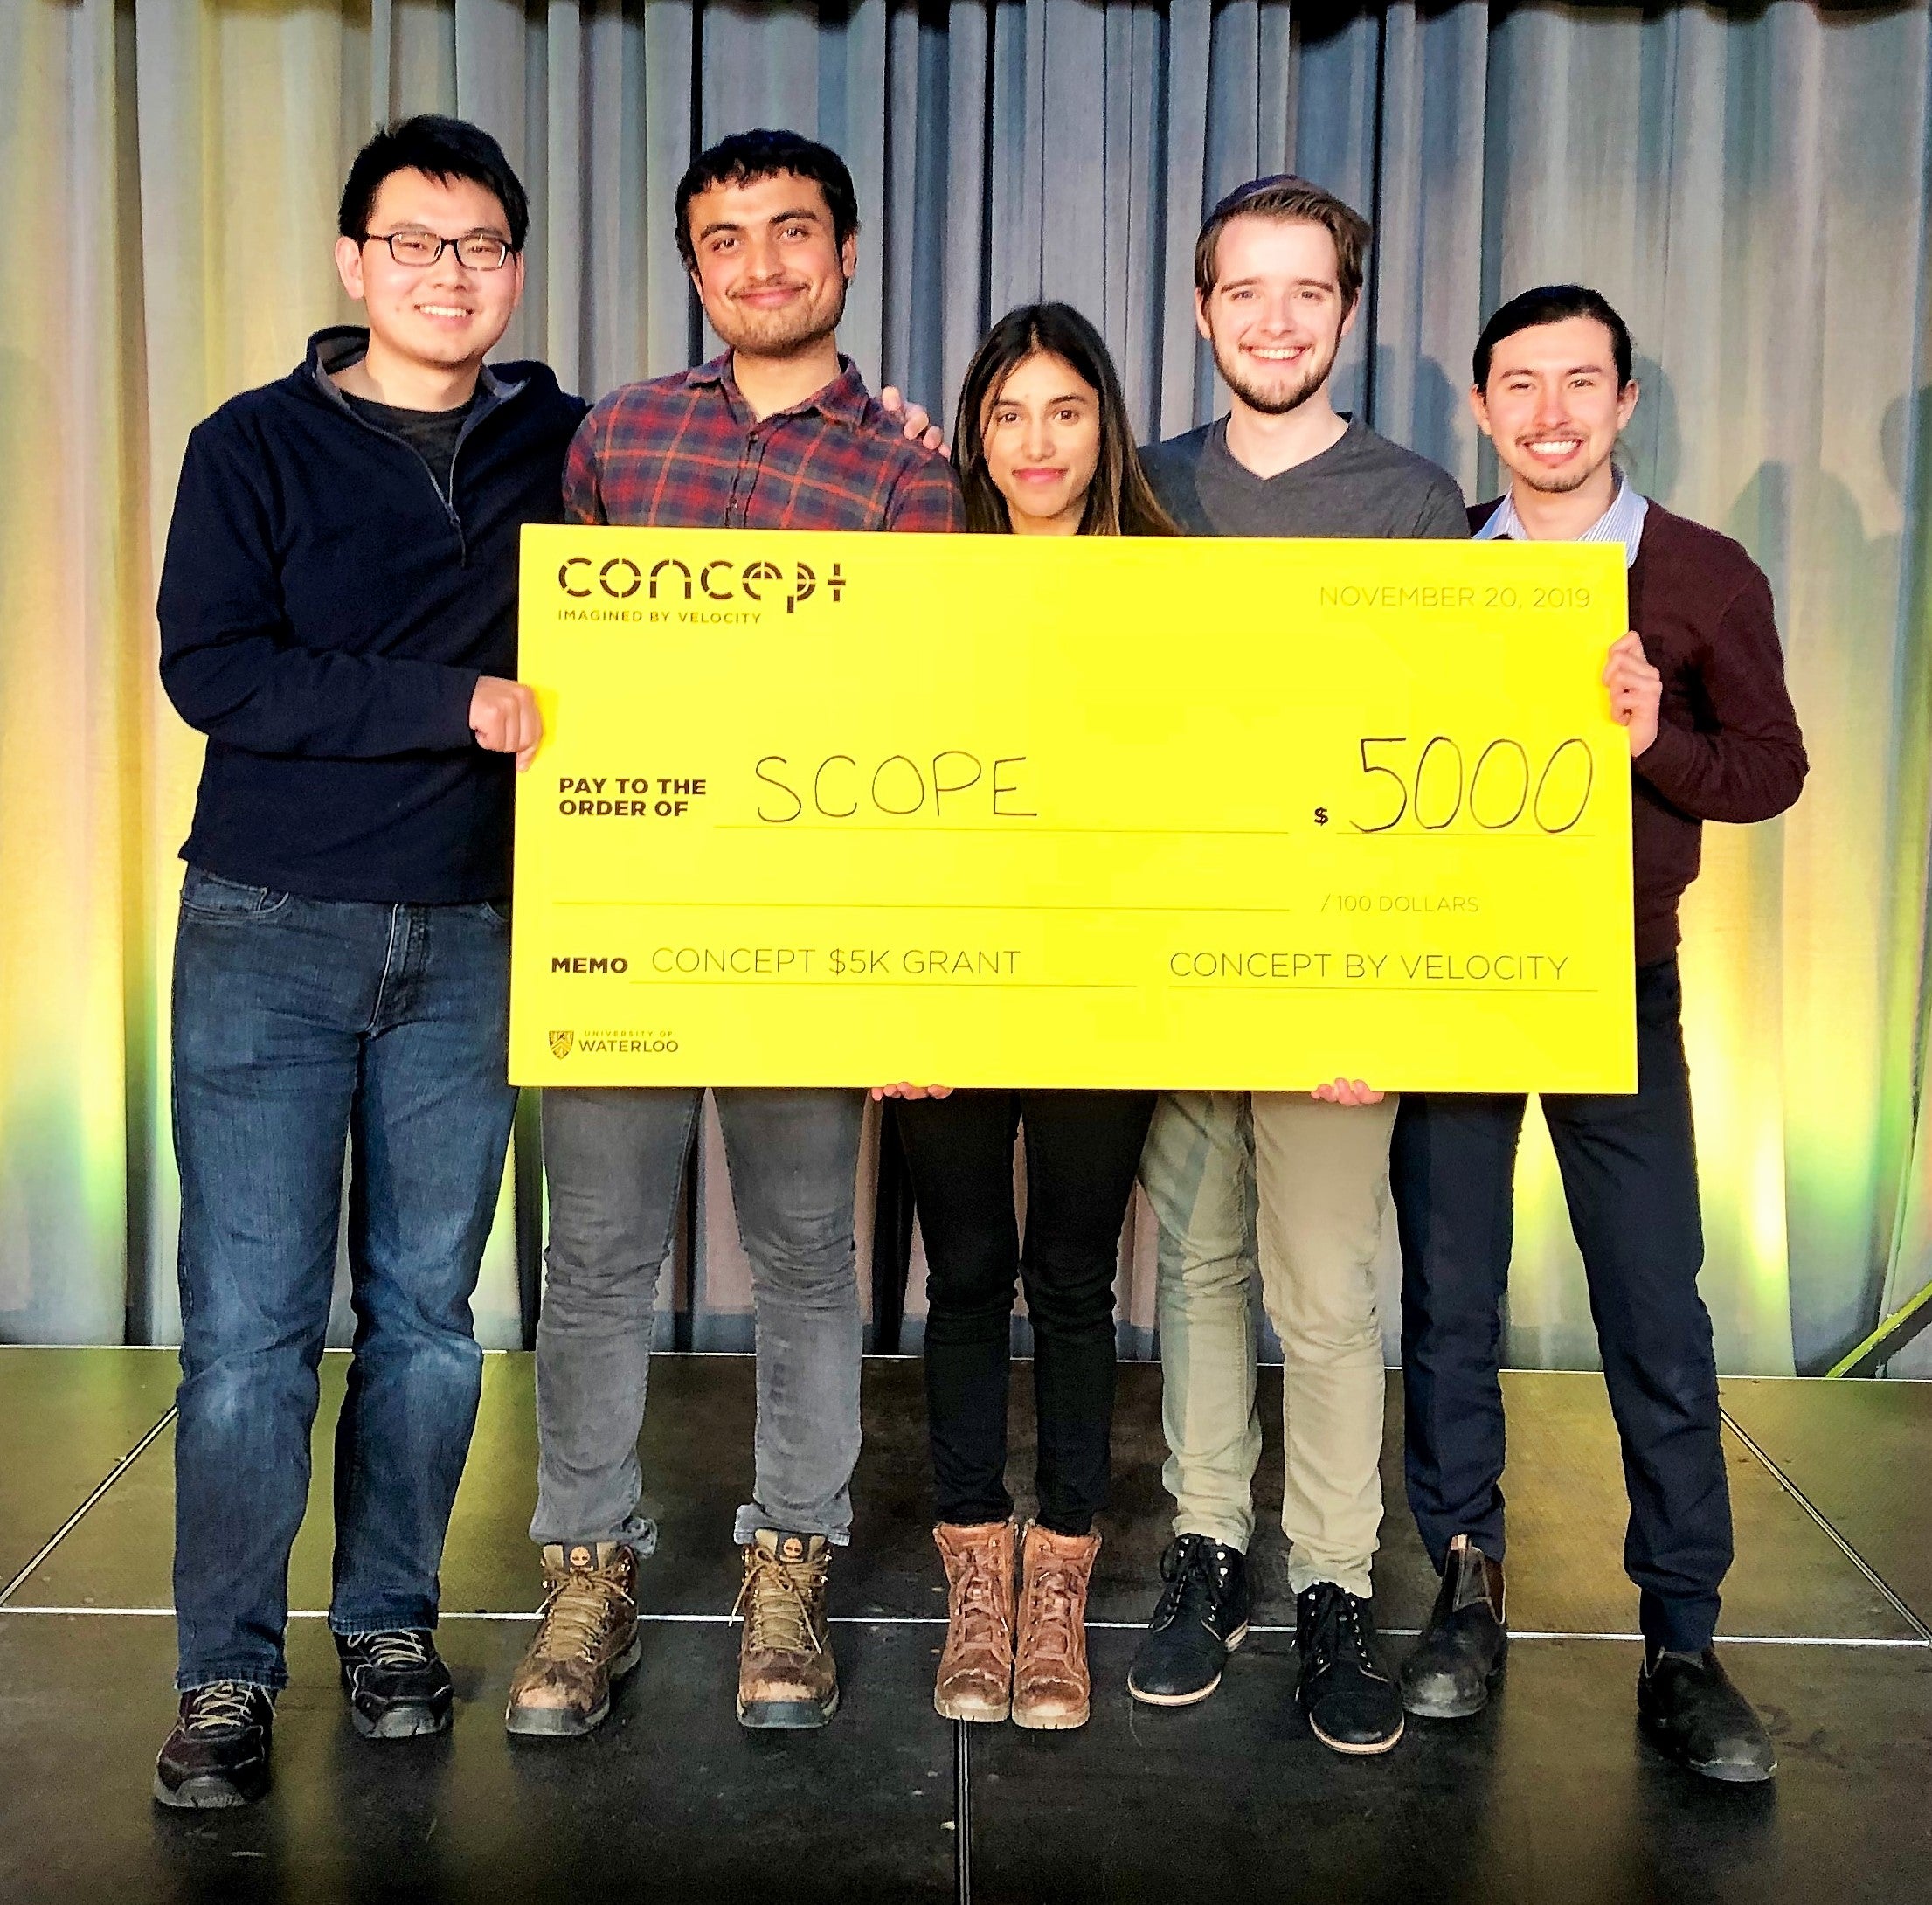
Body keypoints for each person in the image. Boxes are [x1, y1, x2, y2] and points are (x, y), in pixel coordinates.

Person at [883, 176, 1465, 1756]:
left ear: (1346, 311)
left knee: (1329, 1291)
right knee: (1196, 1271)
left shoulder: (1420, 508)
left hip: (1328, 978)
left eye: (1307, 293)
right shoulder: (1160, 502)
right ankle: (1205, 1549)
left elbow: (1444, 767)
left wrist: (1397, 990)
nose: (1276, 320)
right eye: (1245, 293)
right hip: (1157, 976)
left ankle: (1334, 1581)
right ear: (1202, 313)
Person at [503, 128, 963, 1742]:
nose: (761, 266)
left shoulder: (914, 470)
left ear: (846, 254)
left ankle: (790, 1562)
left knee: (808, 1256)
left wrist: (902, 961)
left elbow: (924, 718)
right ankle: (587, 1572)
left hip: (808, 932)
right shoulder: (616, 438)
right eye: (725, 241)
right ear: (692, 266)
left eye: (791, 235)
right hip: (624, 919)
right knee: (600, 1260)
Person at [152, 116, 584, 1808]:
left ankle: (388, 1619)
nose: (448, 273)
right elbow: (218, 672)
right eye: (415, 243)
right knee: (251, 1330)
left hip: (475, 933)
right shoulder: (250, 445)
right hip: (267, 926)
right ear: (352, 262)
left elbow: (716, 513)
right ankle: (224, 1672)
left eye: (480, 245)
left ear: (516, 270)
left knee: (426, 1319)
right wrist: (445, 706)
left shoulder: (564, 441)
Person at [1390, 285, 1805, 1784]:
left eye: (1582, 384)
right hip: (1450, 979)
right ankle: (1461, 1589)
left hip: (1616, 983)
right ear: (1487, 411)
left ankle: (1683, 1645)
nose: (1551, 413)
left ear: (1627, 403)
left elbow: (1770, 770)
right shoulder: (1436, 574)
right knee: (1446, 1298)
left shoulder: (1700, 574)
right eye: (1521, 385)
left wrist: (1658, 743)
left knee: (1654, 1310)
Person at [876, 304, 1172, 1732]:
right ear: (973, 435)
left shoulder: (1178, 586)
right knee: (966, 1272)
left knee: (1071, 1276)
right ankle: (973, 1572)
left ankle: (1061, 1573)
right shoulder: (919, 584)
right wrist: (884, 995)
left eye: (1066, 410)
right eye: (1008, 414)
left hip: (1104, 989)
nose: (1038, 442)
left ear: (1105, 425)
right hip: (943, 979)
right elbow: (860, 790)